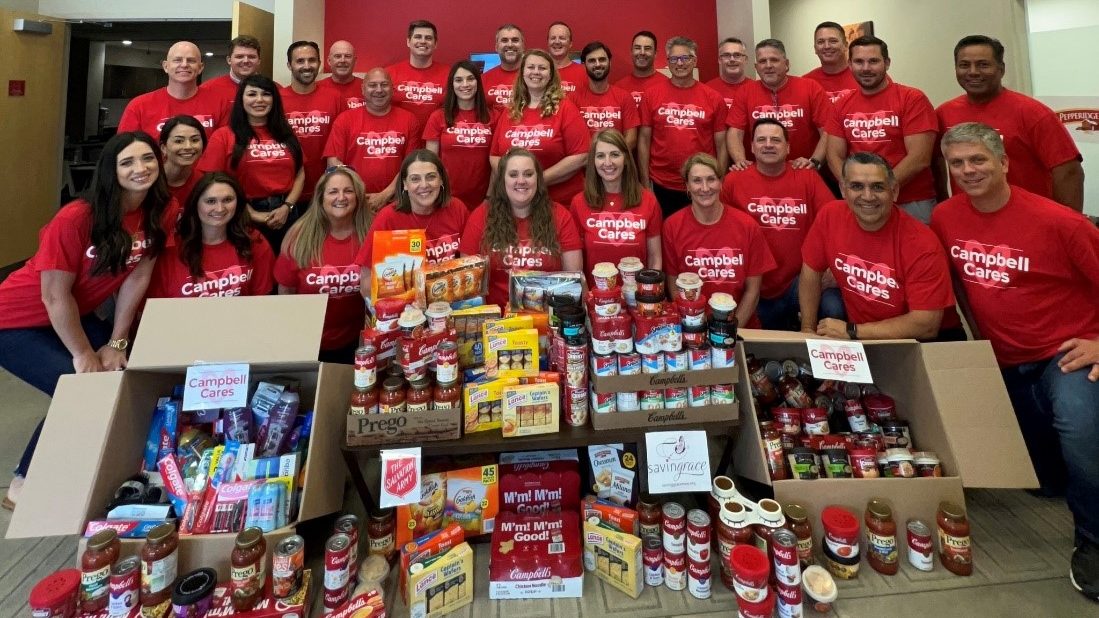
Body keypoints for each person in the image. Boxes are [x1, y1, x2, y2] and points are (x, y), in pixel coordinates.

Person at [931, 123, 1099, 599]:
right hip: (1004, 358)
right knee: (1044, 481)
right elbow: (962, 282)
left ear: (1003, 162)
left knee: (1080, 431)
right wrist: (977, 335)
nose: (968, 170)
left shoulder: (1060, 222)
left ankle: (1093, 540)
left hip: (1064, 355)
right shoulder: (945, 216)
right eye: (958, 162)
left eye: (978, 160)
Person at [0, 132, 169, 509]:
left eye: (147, 160)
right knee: (75, 387)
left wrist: (116, 342)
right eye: (127, 162)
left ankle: (94, 464)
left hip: (74, 313)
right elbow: (54, 295)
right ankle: (23, 482)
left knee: (123, 372)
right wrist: (82, 353)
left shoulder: (159, 210)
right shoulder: (77, 217)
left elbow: (138, 277)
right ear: (111, 170)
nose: (140, 169)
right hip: (15, 320)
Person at [799, 152, 962, 341]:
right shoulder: (830, 216)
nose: (867, 196)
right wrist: (807, 329)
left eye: (877, 187)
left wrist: (852, 331)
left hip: (927, 341)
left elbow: (926, 325)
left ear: (894, 191)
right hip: (866, 336)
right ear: (843, 190)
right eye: (857, 186)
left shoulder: (922, 243)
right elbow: (810, 270)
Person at [935, 35, 1083, 210]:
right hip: (971, 220)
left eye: (983, 64)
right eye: (964, 65)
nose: (973, 72)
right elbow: (936, 162)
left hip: (1028, 216)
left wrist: (1066, 225)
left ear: (1001, 69)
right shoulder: (944, 113)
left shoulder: (1033, 113)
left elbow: (1069, 172)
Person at [721, 118, 839, 330]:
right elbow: (718, 229)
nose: (768, 144)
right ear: (751, 147)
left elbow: (836, 222)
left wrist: (832, 265)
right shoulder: (733, 181)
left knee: (834, 307)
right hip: (751, 284)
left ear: (788, 148)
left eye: (775, 140)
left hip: (799, 281)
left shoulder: (807, 177)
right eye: (761, 140)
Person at [825, 35, 938, 223]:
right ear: (850, 65)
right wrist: (856, 190)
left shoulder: (912, 98)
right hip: (862, 203)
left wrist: (881, 188)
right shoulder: (841, 105)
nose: (866, 68)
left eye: (873, 61)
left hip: (911, 202)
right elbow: (834, 156)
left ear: (887, 63)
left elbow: (920, 157)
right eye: (859, 62)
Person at [459, 147, 583, 307]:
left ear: (538, 179)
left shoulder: (561, 216)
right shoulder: (480, 217)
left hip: (548, 318)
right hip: (497, 322)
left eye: (528, 174)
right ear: (502, 180)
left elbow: (573, 280)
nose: (521, 181)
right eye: (513, 174)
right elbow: (468, 286)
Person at [662, 153, 774, 328]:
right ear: (687, 186)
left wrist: (730, 332)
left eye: (711, 179)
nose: (705, 188)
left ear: (721, 183)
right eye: (697, 181)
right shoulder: (672, 226)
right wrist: (694, 328)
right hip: (692, 327)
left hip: (740, 326)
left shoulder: (747, 226)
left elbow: (753, 292)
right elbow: (675, 288)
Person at [197, 74, 305, 253]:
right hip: (241, 214)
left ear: (274, 100)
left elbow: (300, 173)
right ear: (241, 99)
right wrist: (251, 213)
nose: (259, 100)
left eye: (266, 94)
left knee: (287, 270)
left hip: (287, 214)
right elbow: (211, 181)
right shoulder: (224, 136)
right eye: (252, 94)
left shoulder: (287, 134)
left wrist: (287, 207)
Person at [277, 166, 372, 364]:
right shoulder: (298, 237)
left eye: (348, 190)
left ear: (358, 196)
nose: (341, 197)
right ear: (320, 197)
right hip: (310, 342)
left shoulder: (372, 232)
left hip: (360, 342)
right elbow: (286, 292)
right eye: (333, 191)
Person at [637, 36, 727, 217]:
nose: (679, 63)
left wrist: (719, 180)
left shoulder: (713, 98)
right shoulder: (651, 95)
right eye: (673, 59)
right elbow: (644, 141)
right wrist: (646, 184)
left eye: (685, 58)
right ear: (668, 62)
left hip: (702, 183)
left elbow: (722, 145)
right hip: (661, 183)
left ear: (694, 61)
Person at [147, 172, 275, 298]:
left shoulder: (254, 240)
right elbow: (158, 307)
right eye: (210, 201)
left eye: (228, 200)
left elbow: (261, 302)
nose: (220, 208)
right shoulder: (171, 250)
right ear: (195, 204)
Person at [490, 50, 590, 204]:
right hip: (516, 203)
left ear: (551, 75)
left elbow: (581, 156)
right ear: (522, 72)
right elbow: (495, 155)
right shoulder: (511, 111)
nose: (536, 72)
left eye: (542, 68)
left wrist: (535, 180)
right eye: (530, 67)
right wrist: (517, 181)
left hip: (559, 201)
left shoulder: (565, 108)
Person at [356, 150, 469, 282]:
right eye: (415, 179)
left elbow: (472, 264)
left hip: (451, 297)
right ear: (405, 184)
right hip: (405, 300)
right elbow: (365, 281)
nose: (424, 185)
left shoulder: (457, 209)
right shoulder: (387, 217)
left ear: (441, 180)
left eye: (431, 177)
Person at [324, 68, 423, 213]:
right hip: (355, 204)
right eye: (372, 85)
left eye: (384, 84)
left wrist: (386, 194)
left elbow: (412, 165)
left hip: (398, 202)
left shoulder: (409, 120)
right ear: (363, 90)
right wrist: (357, 194)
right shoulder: (345, 120)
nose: (379, 90)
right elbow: (333, 163)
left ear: (392, 89)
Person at [569, 129, 662, 278]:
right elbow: (574, 263)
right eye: (600, 156)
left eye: (615, 154)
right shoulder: (578, 203)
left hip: (637, 297)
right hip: (595, 297)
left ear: (626, 159)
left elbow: (655, 258)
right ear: (593, 161)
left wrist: (648, 293)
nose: (608, 162)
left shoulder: (649, 200)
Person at [726, 38, 829, 171]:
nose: (768, 65)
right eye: (762, 61)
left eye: (774, 60)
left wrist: (814, 161)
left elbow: (828, 131)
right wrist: (740, 161)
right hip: (760, 173)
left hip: (803, 172)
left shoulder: (810, 88)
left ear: (786, 64)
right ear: (756, 67)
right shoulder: (745, 92)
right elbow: (734, 133)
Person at [118, 41, 228, 139]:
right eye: (177, 60)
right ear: (166, 66)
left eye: (191, 60)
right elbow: (124, 151)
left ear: (200, 67)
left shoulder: (220, 103)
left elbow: (226, 148)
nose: (184, 65)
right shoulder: (139, 106)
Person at [424, 60, 496, 209]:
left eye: (470, 78)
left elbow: (497, 162)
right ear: (452, 84)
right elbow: (430, 162)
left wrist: (490, 196)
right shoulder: (438, 117)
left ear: (478, 82)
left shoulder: (494, 117)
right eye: (458, 80)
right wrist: (439, 195)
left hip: (485, 198)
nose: (465, 84)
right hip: (446, 197)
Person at [280, 40, 343, 204]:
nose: (307, 66)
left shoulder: (335, 98)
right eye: (300, 61)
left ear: (320, 64)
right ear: (289, 65)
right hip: (288, 192)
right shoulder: (277, 99)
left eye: (312, 60)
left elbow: (343, 143)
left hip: (326, 190)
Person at [571, 42, 640, 149]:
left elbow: (631, 139)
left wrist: (608, 156)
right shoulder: (573, 99)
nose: (598, 64)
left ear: (610, 62)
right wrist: (592, 157)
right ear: (584, 65)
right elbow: (571, 138)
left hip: (615, 163)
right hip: (584, 163)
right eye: (592, 61)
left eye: (602, 59)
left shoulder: (625, 97)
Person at [387, 20, 450, 127]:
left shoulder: (450, 74)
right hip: (400, 139)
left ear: (435, 44)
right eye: (418, 37)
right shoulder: (389, 74)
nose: (423, 41)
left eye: (428, 38)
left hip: (436, 139)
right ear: (408, 41)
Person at [802, 21, 859, 104]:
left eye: (833, 41)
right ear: (815, 48)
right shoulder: (805, 83)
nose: (827, 46)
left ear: (846, 45)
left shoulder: (865, 77)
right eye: (821, 42)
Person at [159, 115, 207, 208]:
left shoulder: (203, 183)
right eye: (179, 141)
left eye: (195, 140)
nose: (188, 146)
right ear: (163, 148)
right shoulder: (149, 181)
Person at [202, 35, 262, 106]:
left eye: (251, 57)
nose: (246, 61)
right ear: (229, 60)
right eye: (239, 56)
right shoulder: (207, 89)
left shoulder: (274, 90)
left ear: (259, 61)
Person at [615, 30, 668, 109]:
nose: (642, 52)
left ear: (655, 53)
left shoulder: (667, 85)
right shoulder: (619, 87)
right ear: (631, 52)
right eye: (637, 48)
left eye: (647, 48)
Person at [482, 24, 525, 111]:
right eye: (504, 40)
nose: (510, 44)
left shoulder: (534, 78)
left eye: (515, 40)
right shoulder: (483, 79)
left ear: (523, 46)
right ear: (496, 47)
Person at [705, 37, 755, 110]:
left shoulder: (755, 90)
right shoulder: (707, 90)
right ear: (719, 60)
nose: (732, 59)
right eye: (726, 55)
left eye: (737, 55)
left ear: (745, 60)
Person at [318, 40, 364, 111]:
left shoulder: (367, 88)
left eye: (347, 56)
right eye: (338, 56)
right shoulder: (317, 88)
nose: (342, 60)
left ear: (355, 61)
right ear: (329, 61)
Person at [547, 21, 586, 96]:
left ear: (570, 43)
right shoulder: (538, 73)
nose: (557, 41)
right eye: (553, 38)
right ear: (548, 42)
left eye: (562, 38)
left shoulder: (584, 72)